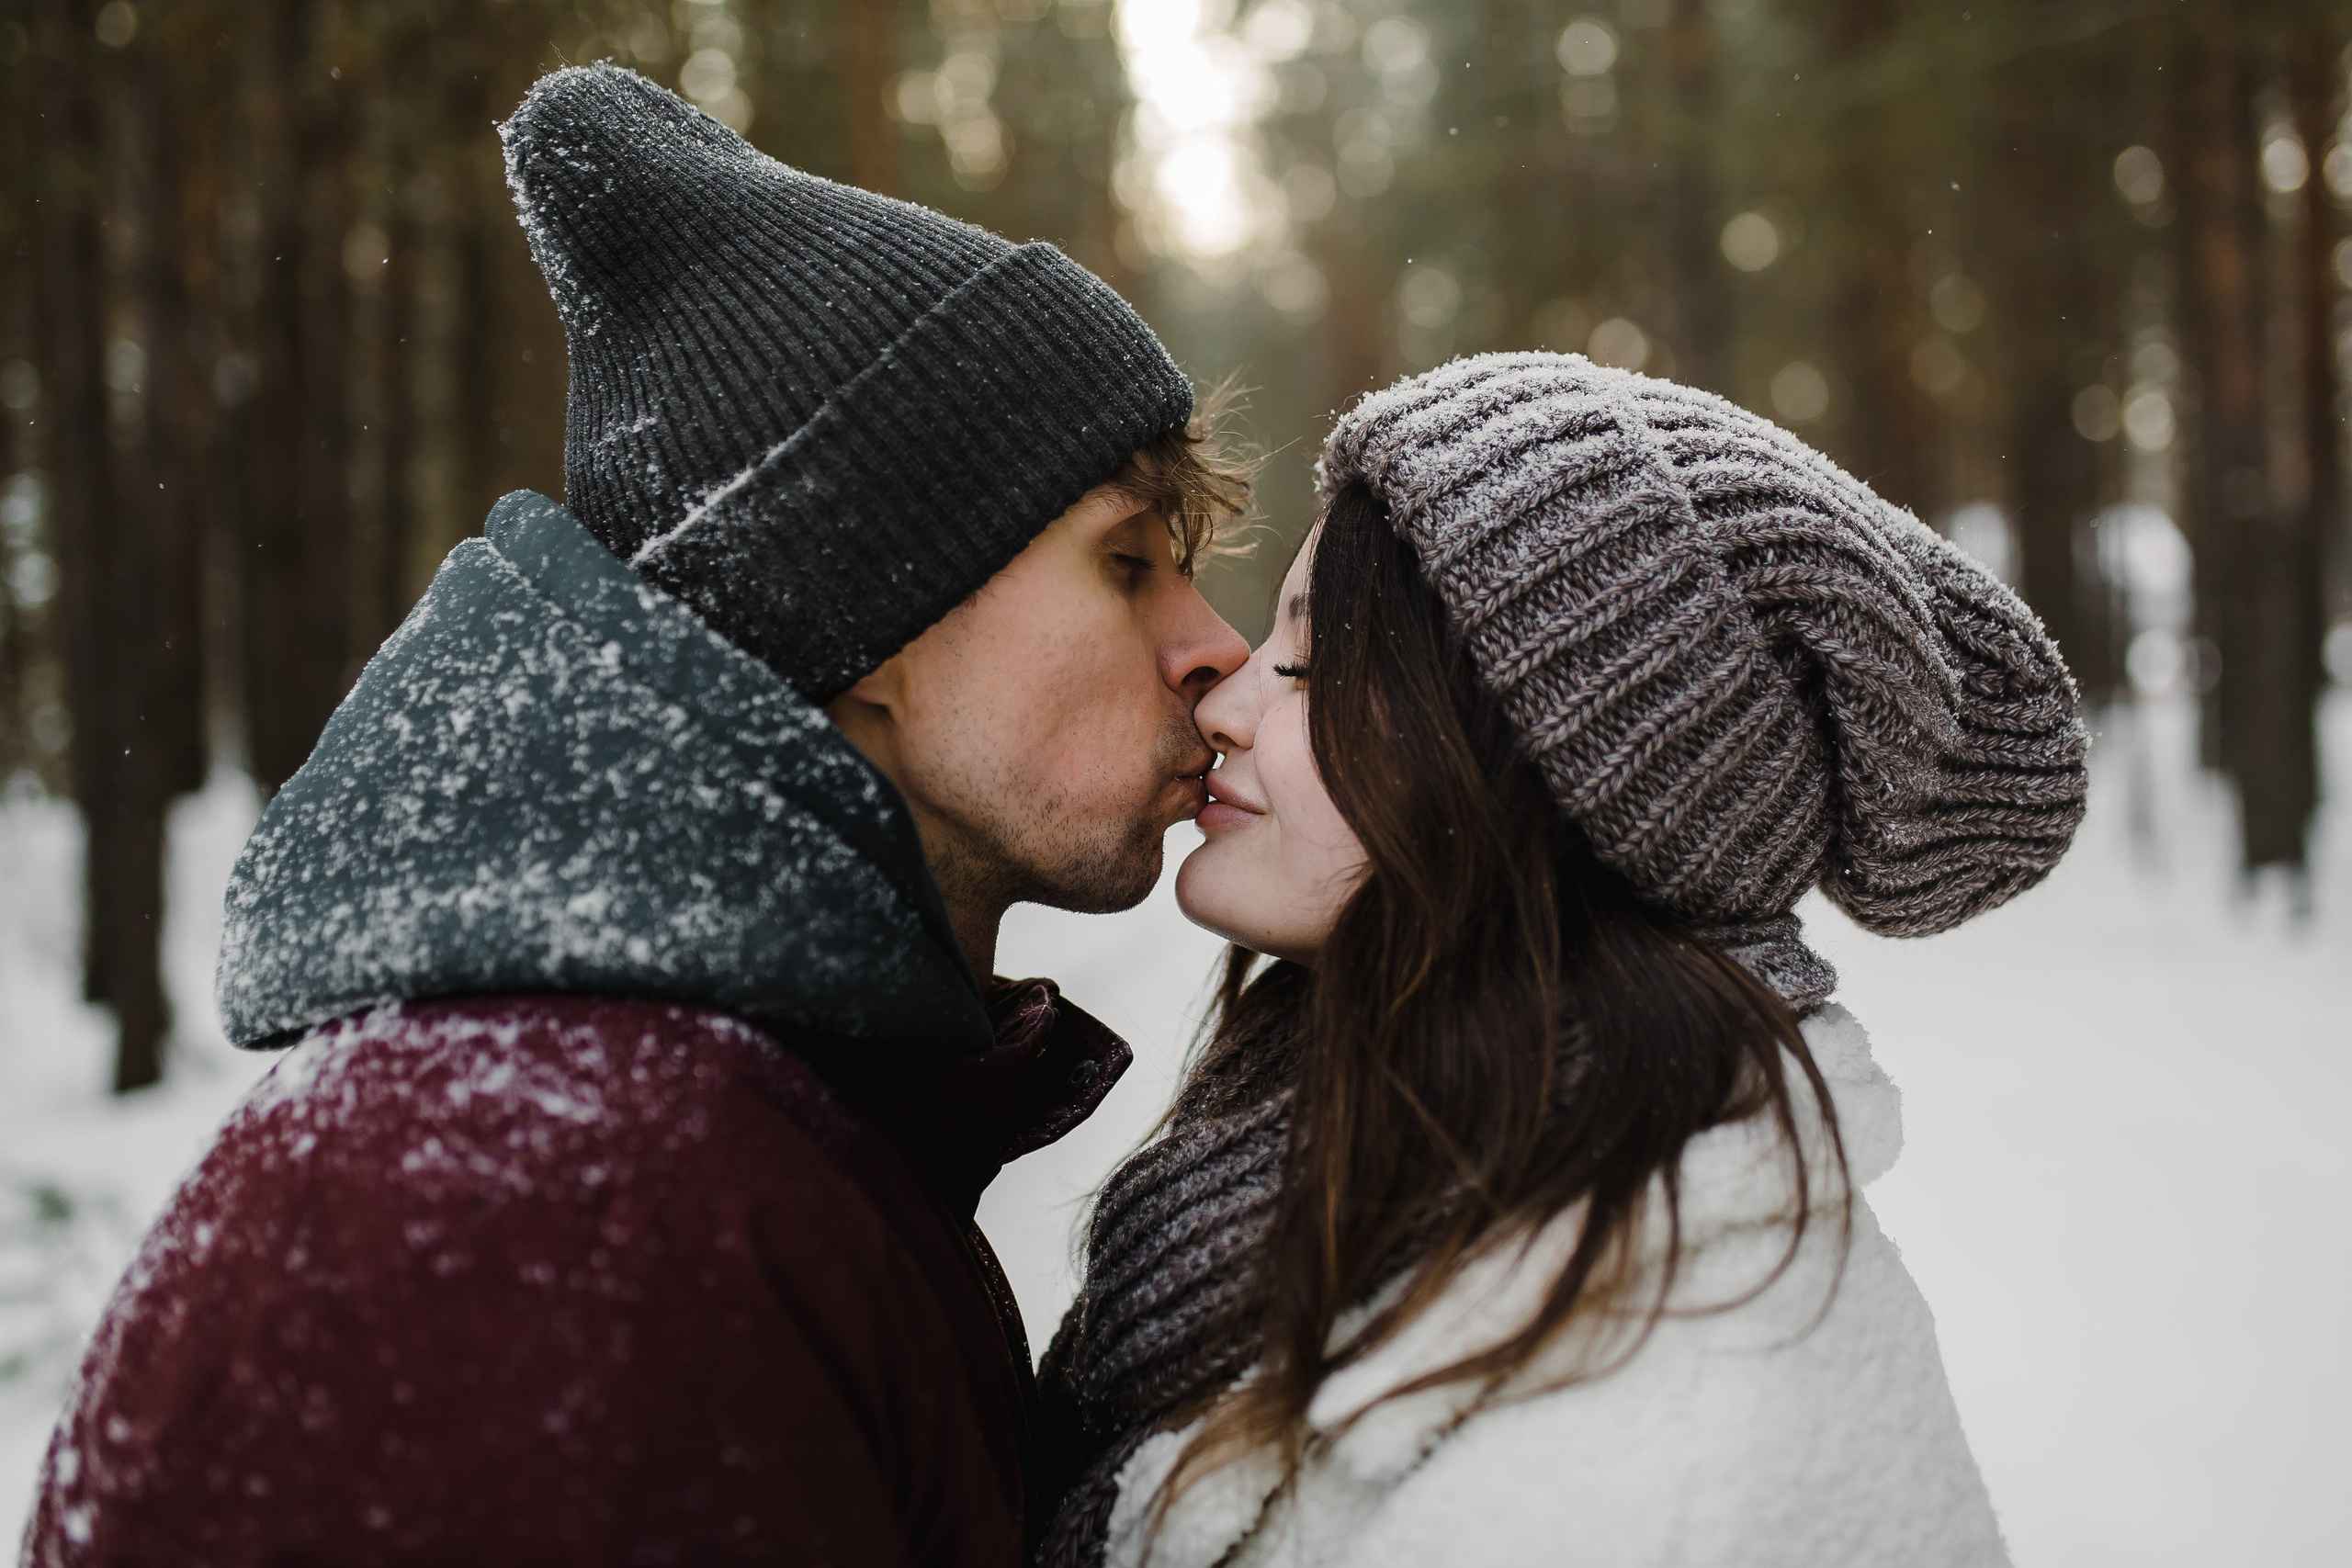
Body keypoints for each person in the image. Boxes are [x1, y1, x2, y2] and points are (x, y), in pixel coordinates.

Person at [25, 65, 1249, 1568]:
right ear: (862, 609)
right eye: (1127, 564)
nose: (1218, 648)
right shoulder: (569, 1221)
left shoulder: (697, 1137)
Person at [1035, 354, 2089, 1568]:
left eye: (1313, 666)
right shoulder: (1393, 1154)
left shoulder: (1657, 1467)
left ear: (1533, 783)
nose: (1224, 705)